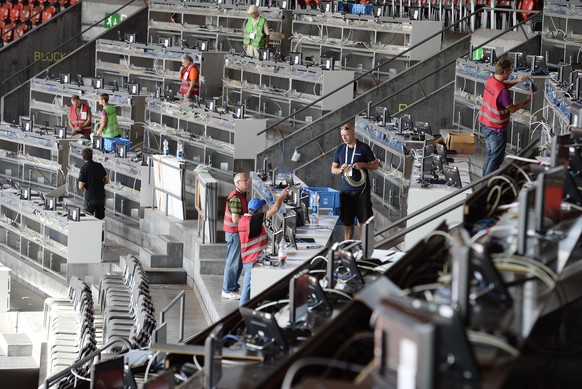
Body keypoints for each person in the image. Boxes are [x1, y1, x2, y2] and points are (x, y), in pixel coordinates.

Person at [479, 59, 531, 176]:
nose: (511, 73)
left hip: (485, 125)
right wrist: (526, 101)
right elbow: (512, 109)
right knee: (495, 161)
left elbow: (502, 85)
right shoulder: (503, 92)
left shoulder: (490, 80)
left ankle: (483, 185)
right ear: (505, 72)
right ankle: (487, 188)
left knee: (490, 156)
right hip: (496, 129)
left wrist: (517, 81)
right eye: (511, 71)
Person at [239, 189, 289, 306]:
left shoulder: (243, 220)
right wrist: (281, 197)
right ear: (259, 210)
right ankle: (241, 314)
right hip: (252, 260)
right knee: (247, 291)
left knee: (250, 289)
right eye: (262, 208)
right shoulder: (254, 221)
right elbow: (275, 209)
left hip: (247, 259)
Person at [331, 123, 378, 240]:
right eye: (342, 135)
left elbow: (375, 165)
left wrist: (363, 164)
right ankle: (347, 246)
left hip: (362, 190)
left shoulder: (364, 148)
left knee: (363, 220)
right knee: (348, 221)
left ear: (353, 133)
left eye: (346, 135)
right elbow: (333, 169)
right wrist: (340, 169)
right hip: (347, 191)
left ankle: (364, 248)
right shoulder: (340, 149)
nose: (344, 138)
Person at [222, 172, 250, 300]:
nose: (248, 182)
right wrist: (250, 220)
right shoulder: (235, 198)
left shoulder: (241, 195)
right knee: (233, 262)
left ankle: (233, 287)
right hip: (234, 233)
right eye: (245, 180)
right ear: (238, 183)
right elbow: (235, 219)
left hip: (237, 233)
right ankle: (227, 290)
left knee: (237, 262)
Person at [78, 147, 109, 220]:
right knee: (99, 219)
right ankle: (100, 231)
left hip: (90, 197)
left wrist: (88, 185)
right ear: (92, 155)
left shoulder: (84, 168)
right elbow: (106, 180)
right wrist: (100, 185)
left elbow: (80, 186)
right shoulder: (99, 165)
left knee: (88, 218)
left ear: (83, 157)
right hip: (100, 196)